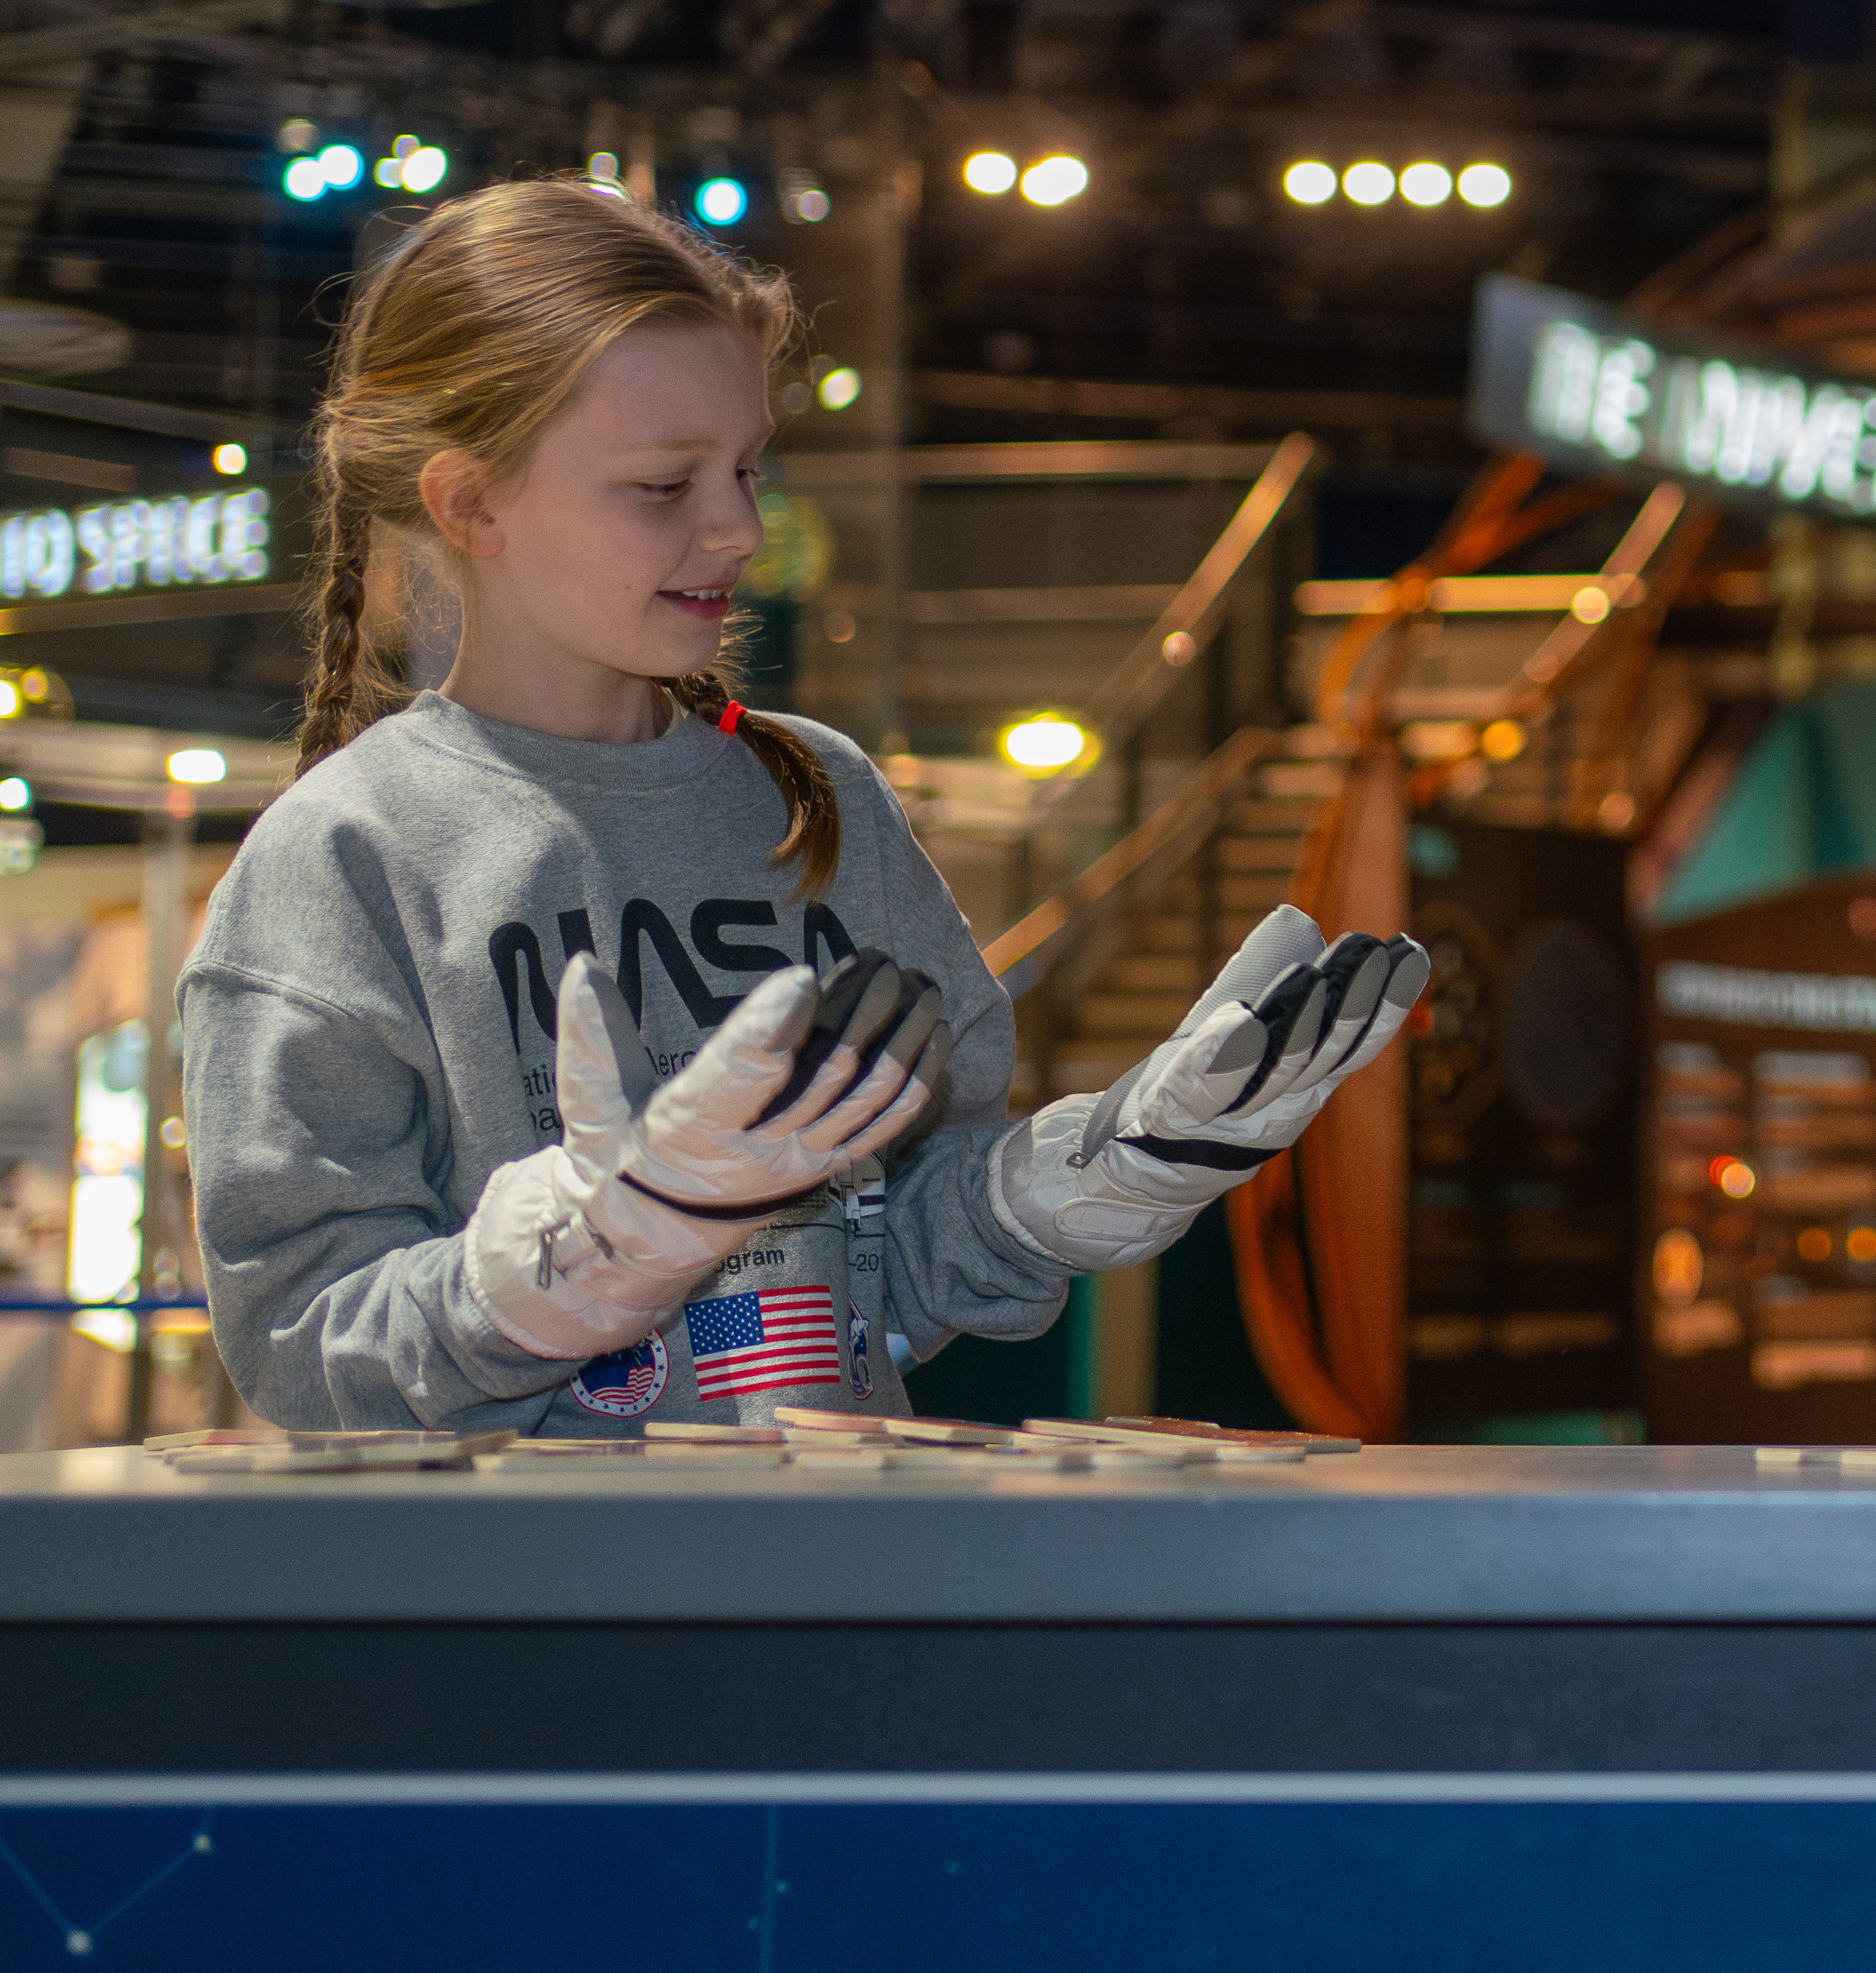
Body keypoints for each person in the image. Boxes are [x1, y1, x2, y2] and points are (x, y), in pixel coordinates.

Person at [184, 176, 1421, 1435]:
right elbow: (304, 1347)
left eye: (747, 468)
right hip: (523, 1606)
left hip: (830, 1574)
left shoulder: (820, 795)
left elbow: (899, 1261)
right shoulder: (346, 854)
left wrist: (1096, 1174)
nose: (738, 528)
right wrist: (590, 1254)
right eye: (665, 485)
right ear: (470, 502)